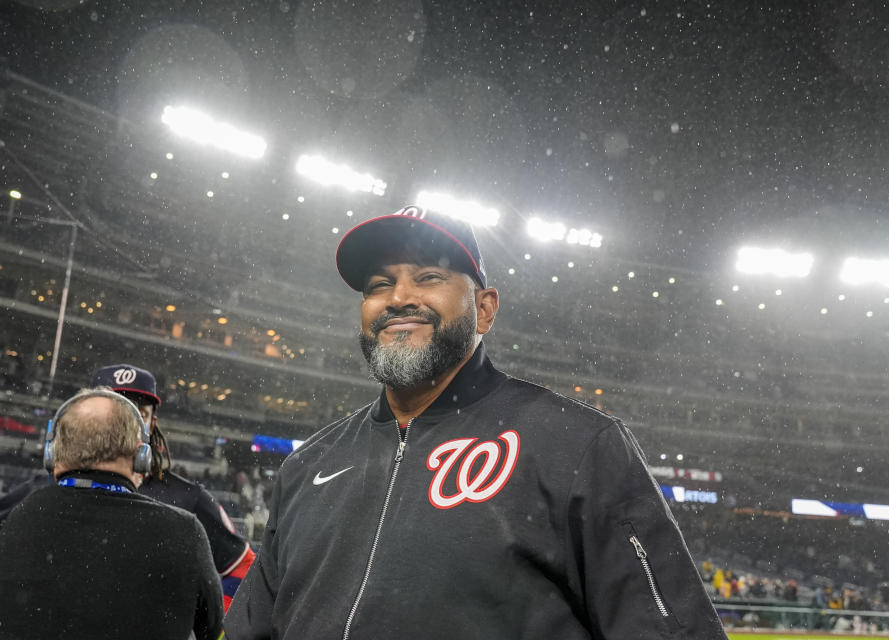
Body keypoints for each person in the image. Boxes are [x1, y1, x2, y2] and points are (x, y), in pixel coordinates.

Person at [225, 205, 725, 639]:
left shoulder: (577, 444)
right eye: (379, 284)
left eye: (429, 277)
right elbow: (253, 628)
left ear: (485, 310)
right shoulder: (308, 465)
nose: (398, 297)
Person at [0, 388, 223, 639]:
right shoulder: (184, 533)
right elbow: (215, 632)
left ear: (52, 453)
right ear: (142, 456)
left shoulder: (12, 522)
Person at [88, 363, 257, 610]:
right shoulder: (47, 492)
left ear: (152, 423)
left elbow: (243, 566)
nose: (126, 423)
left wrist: (212, 627)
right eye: (115, 411)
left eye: (139, 413)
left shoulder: (188, 499)